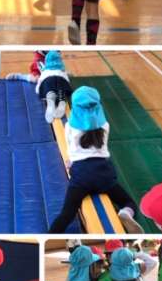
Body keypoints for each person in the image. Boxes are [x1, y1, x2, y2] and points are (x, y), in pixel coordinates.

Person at [48, 86, 143, 234]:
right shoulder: (105, 125)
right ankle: (125, 212)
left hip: (81, 176)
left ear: (76, 108)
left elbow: (71, 149)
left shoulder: (70, 126)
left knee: (67, 214)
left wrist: (71, 162)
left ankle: (50, 235)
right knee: (128, 202)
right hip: (104, 173)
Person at [35, 50, 72, 123]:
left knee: (48, 90)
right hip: (61, 81)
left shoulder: (45, 71)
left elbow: (40, 83)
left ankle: (50, 98)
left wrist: (38, 90)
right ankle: (62, 100)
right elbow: (67, 81)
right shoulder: (62, 71)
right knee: (62, 89)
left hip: (48, 82)